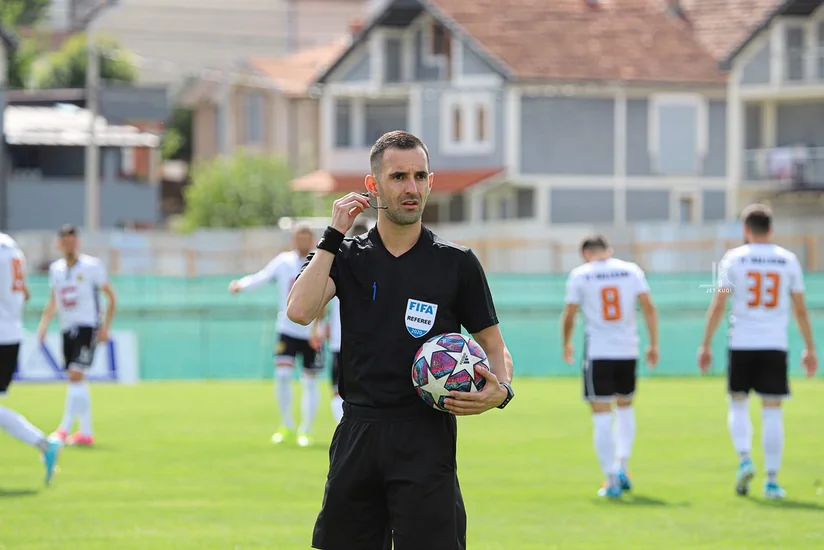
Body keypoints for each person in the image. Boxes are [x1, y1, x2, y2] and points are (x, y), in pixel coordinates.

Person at [287, 130, 515, 550]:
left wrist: (500, 390)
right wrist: (333, 234)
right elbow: (299, 311)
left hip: (426, 436)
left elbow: (493, 344)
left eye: (420, 176)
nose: (412, 188)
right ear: (373, 185)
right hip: (359, 431)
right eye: (398, 177)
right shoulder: (346, 255)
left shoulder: (457, 263)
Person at [698, 204, 817, 500]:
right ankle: (772, 481)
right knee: (772, 409)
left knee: (738, 403)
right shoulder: (787, 259)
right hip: (774, 344)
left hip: (742, 342)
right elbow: (801, 309)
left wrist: (706, 343)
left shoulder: (734, 258)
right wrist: (810, 347)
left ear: (746, 229)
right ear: (771, 229)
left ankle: (744, 459)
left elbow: (719, 304)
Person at [561, 235, 659, 499]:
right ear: (608, 250)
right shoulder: (631, 270)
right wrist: (653, 344)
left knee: (602, 414)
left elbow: (570, 314)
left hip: (599, 352)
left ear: (585, 254)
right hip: (628, 350)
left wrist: (566, 343)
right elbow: (649, 307)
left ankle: (611, 478)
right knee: (625, 408)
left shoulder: (581, 274)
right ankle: (623, 466)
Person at [229, 223, 322, 447]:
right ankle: (286, 424)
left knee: (310, 382)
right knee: (282, 375)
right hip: (287, 329)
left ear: (312, 240)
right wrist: (241, 285)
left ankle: (306, 429)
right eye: (299, 238)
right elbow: (262, 276)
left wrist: (321, 327)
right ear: (292, 240)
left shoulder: (321, 260)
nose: (302, 242)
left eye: (306, 238)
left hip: (311, 332)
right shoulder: (283, 262)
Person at [37, 225, 117, 447]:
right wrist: (43, 325)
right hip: (67, 328)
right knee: (77, 379)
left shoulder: (92, 266)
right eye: (66, 242)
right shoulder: (56, 270)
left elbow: (111, 297)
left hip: (87, 327)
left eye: (73, 242)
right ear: (59, 244)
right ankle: (86, 433)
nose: (70, 246)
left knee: (75, 374)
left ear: (78, 243)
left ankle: (64, 428)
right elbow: (53, 300)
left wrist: (105, 327)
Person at [0, 232, 62, 484]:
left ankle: (43, 443)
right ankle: (44, 444)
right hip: (10, 334)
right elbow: (23, 292)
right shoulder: (12, 249)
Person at [312, 221, 369, 425]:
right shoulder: (343, 260)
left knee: (342, 391)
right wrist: (319, 327)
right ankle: (345, 427)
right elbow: (322, 300)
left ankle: (346, 427)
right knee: (341, 390)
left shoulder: (345, 261)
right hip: (343, 339)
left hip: (345, 341)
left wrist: (319, 327)